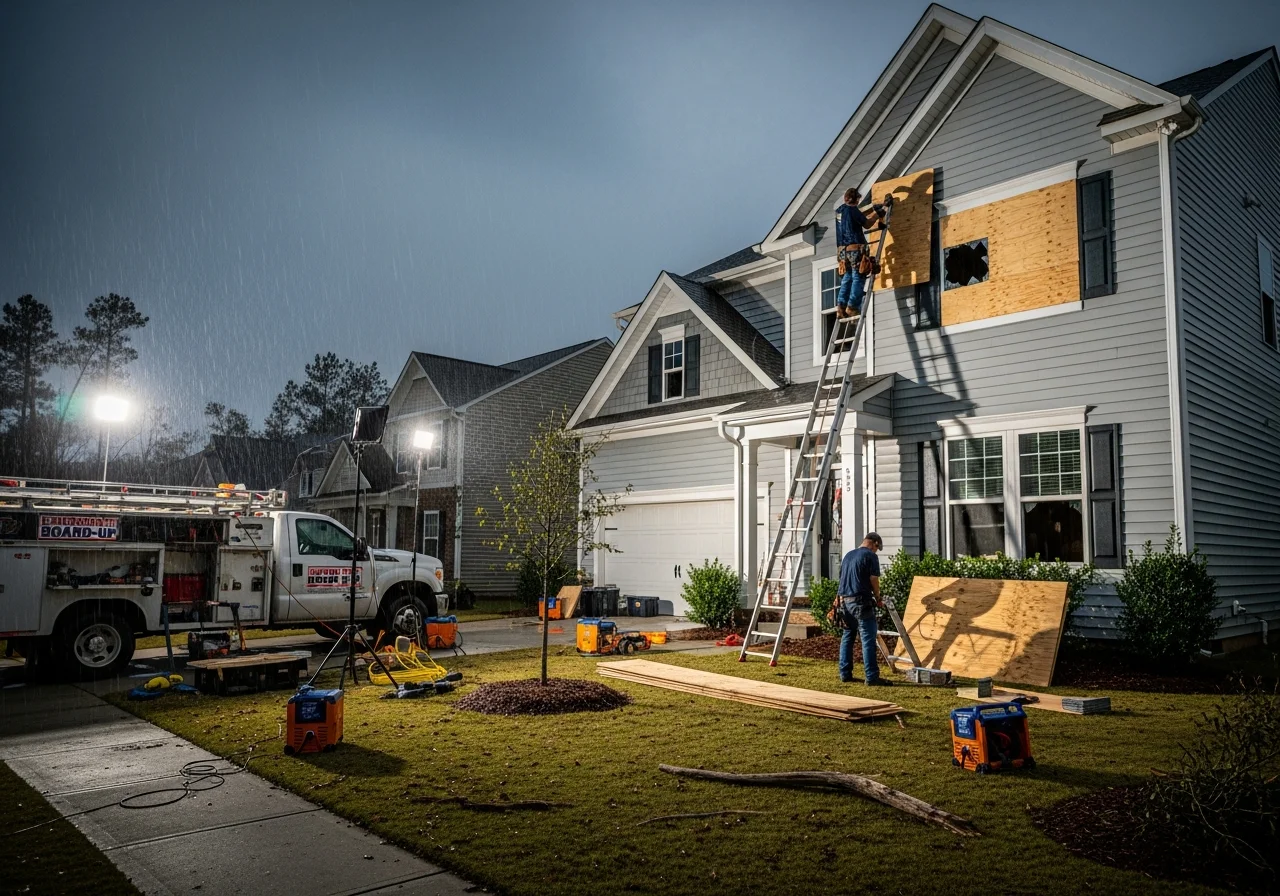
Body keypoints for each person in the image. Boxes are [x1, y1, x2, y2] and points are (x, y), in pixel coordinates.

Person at [835, 531, 892, 686]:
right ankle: (872, 677)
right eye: (876, 548)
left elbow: (841, 579)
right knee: (868, 639)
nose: (875, 551)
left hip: (845, 602)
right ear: (875, 543)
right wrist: (878, 598)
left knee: (848, 637)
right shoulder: (870, 556)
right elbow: (873, 579)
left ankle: (845, 674)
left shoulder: (848, 555)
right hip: (861, 602)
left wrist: (838, 599)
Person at [833, 188, 887, 319]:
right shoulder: (853, 210)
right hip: (855, 249)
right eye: (858, 200)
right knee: (858, 277)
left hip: (842, 252)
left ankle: (841, 307)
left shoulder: (839, 211)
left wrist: (872, 209)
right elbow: (867, 224)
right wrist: (877, 214)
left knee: (847, 278)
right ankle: (852, 307)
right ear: (856, 199)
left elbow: (856, 218)